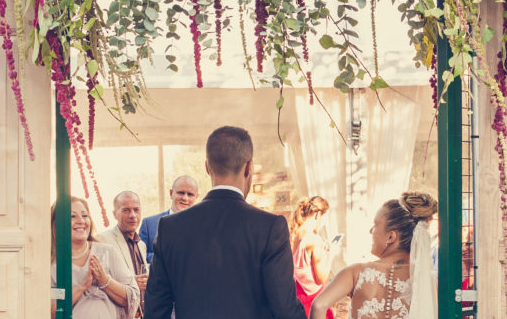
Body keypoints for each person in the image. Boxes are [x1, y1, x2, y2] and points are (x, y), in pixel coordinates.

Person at [145, 126, 306, 319]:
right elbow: (285, 309)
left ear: (207, 167)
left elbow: (155, 310)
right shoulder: (270, 228)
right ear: (249, 167)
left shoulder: (170, 227)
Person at [310, 192, 438, 319]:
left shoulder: (355, 272)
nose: (371, 230)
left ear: (391, 236)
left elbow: (318, 306)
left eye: (375, 224)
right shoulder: (427, 280)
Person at [50, 197, 140, 319]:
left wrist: (105, 281)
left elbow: (132, 297)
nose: (81, 221)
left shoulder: (108, 252)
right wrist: (81, 287)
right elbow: (51, 311)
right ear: (57, 223)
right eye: (72, 216)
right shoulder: (51, 263)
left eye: (84, 215)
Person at [99, 191, 148, 317]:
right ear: (115, 214)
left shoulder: (141, 245)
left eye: (136, 210)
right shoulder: (102, 240)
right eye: (126, 210)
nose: (132, 215)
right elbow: (98, 283)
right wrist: (131, 284)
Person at [289, 196, 336, 319]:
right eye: (324, 219)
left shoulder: (292, 235)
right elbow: (321, 278)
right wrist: (331, 254)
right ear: (318, 215)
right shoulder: (314, 240)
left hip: (296, 299)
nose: (323, 224)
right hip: (315, 301)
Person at [139, 175, 199, 263]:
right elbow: (139, 257)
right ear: (171, 193)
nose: (185, 198)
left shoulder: (203, 227)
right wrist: (169, 255)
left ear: (196, 197)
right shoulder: (149, 224)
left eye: (190, 194)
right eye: (181, 193)